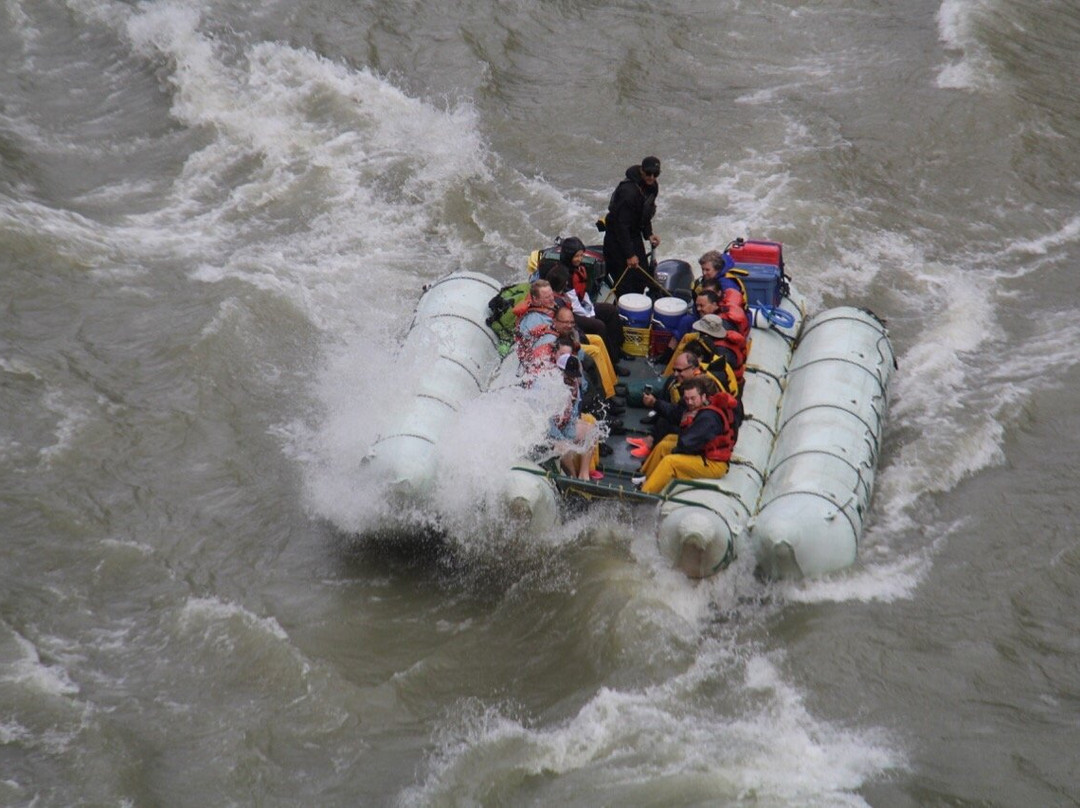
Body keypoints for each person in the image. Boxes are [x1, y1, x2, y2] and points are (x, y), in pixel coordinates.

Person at [633, 376, 735, 494]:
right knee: (666, 442)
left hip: (713, 464)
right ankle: (645, 475)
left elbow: (686, 444)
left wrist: (674, 450)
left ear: (703, 396)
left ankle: (646, 492)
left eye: (693, 398)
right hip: (702, 452)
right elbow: (679, 421)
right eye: (686, 399)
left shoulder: (708, 418)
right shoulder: (700, 406)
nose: (689, 402)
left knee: (670, 462)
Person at [553, 236, 628, 372]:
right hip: (571, 313)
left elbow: (584, 293)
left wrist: (591, 310)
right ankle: (611, 362)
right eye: (577, 256)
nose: (580, 259)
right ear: (569, 256)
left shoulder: (579, 268)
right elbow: (574, 304)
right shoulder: (564, 274)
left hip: (582, 306)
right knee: (598, 326)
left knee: (610, 310)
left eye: (581, 255)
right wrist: (590, 316)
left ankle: (617, 350)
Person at [604, 156, 662, 297]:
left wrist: (649, 234)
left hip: (633, 236)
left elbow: (645, 214)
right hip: (616, 239)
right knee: (625, 284)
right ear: (642, 171)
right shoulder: (628, 192)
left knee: (642, 278)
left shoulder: (652, 187)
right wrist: (630, 254)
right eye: (648, 173)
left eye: (655, 174)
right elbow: (621, 226)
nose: (652, 177)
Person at [549, 352, 600, 481]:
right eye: (568, 375)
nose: (571, 379)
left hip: (564, 427)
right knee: (563, 447)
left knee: (592, 431)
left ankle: (584, 475)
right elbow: (546, 422)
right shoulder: (549, 387)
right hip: (548, 432)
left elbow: (574, 412)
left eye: (574, 376)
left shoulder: (574, 384)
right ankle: (572, 479)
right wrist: (562, 439)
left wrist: (571, 431)